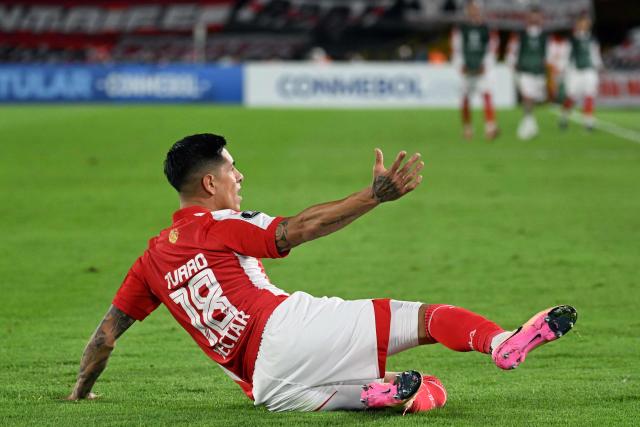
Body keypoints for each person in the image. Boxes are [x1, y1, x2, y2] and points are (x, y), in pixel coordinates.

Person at [67, 134, 578, 413]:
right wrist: (370, 198)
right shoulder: (220, 224)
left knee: (426, 391)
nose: (239, 176)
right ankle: (500, 343)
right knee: (427, 319)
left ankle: (378, 391)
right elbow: (299, 228)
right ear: (209, 182)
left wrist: (82, 392)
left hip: (265, 387)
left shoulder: (150, 260)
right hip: (285, 329)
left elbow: (105, 337)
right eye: (231, 169)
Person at [451, 0, 500, 140]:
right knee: (465, 97)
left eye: (475, 8)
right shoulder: (461, 29)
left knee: (486, 94)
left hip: (482, 68)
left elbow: (492, 49)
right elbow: (457, 49)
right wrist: (460, 65)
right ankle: (467, 128)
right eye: (470, 8)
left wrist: (486, 65)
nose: (473, 11)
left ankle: (490, 127)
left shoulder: (487, 28)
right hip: (467, 67)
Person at [507, 7, 552, 140]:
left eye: (537, 17)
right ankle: (528, 124)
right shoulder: (521, 35)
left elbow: (548, 54)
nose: (534, 19)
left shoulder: (544, 36)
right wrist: (512, 63)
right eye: (532, 17)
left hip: (538, 71)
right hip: (524, 70)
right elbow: (512, 51)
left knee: (535, 98)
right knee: (527, 96)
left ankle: (530, 123)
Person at [559, 12, 602, 131]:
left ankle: (588, 122)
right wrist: (563, 69)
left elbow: (595, 54)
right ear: (578, 24)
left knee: (590, 95)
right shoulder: (572, 39)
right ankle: (564, 116)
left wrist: (599, 66)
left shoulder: (592, 39)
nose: (585, 25)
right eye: (583, 22)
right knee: (571, 96)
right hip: (575, 71)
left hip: (589, 70)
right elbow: (566, 55)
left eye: (587, 23)